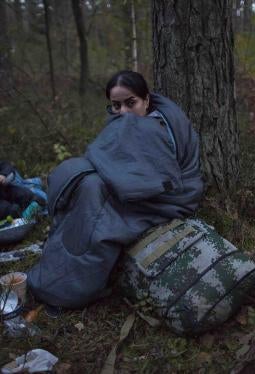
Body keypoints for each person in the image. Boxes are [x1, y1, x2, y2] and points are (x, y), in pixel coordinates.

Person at [27, 70, 204, 309]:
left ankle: (67, 289)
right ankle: (54, 274)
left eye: (131, 103)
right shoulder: (132, 121)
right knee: (85, 186)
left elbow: (151, 179)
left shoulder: (154, 126)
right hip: (138, 190)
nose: (124, 113)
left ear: (147, 100)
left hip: (168, 198)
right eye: (116, 105)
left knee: (95, 200)